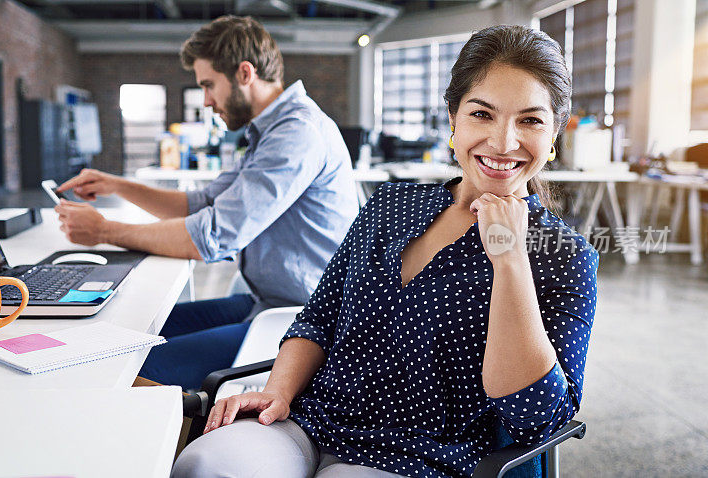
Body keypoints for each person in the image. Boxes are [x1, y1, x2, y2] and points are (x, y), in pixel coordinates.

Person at [171, 25, 599, 478]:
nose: (503, 141)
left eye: (530, 121)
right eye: (482, 114)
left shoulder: (563, 255)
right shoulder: (391, 204)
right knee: (206, 464)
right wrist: (278, 390)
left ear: (553, 138)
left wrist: (510, 260)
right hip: (312, 424)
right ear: (454, 119)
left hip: (424, 458)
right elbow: (319, 318)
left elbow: (539, 418)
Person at [54, 16, 358, 389]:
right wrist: (117, 186)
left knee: (122, 369)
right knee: (126, 332)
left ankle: (173, 438)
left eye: (209, 85)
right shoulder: (271, 129)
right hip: (268, 303)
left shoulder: (297, 133)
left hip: (302, 325)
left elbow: (212, 237)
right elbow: (201, 203)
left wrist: (103, 230)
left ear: (245, 73)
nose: (207, 101)